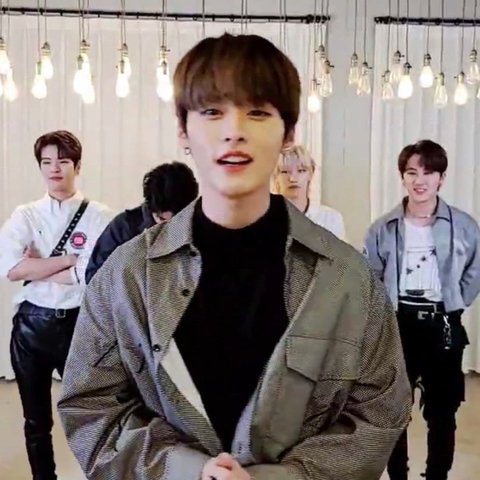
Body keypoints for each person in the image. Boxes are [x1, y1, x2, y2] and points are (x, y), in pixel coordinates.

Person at [58, 33, 411, 480]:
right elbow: (91, 405)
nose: (234, 130)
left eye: (258, 111)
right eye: (212, 111)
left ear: (288, 133)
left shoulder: (347, 278)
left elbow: (379, 413)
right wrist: (187, 470)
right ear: (183, 131)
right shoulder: (128, 275)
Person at [364, 140, 480, 480]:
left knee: (443, 413)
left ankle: (436, 476)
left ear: (441, 178)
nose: (420, 180)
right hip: (397, 324)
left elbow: (476, 270)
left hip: (443, 323)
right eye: (412, 172)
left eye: (428, 172)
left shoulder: (463, 225)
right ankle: (398, 476)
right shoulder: (383, 227)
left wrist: (455, 301)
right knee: (393, 412)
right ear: (402, 176)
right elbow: (370, 275)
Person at [0, 130, 112, 480]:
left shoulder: (99, 215)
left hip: (79, 326)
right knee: (35, 421)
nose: (54, 169)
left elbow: (93, 273)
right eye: (47, 162)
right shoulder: (26, 214)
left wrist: (38, 265)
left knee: (92, 415)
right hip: (30, 327)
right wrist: (68, 260)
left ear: (77, 166)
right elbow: (9, 268)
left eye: (63, 161)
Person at [85, 161, 199, 283]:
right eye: (162, 220)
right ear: (151, 208)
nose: (169, 227)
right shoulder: (124, 228)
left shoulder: (203, 226)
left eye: (178, 220)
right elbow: (94, 279)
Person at [272, 144, 346, 240]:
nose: (293, 179)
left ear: (311, 174)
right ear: (275, 177)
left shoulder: (330, 219)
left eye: (301, 171)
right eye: (285, 172)